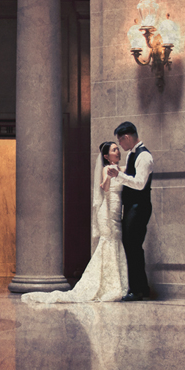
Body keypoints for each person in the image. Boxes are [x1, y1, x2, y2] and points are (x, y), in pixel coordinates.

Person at [21, 141, 129, 304]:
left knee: (116, 242)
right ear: (106, 156)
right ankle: (108, 285)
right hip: (106, 212)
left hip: (116, 211)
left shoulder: (121, 169)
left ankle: (117, 283)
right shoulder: (107, 168)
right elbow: (105, 187)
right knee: (108, 242)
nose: (118, 152)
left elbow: (132, 174)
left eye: (118, 149)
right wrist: (107, 178)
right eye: (114, 150)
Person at [106, 122, 153, 301]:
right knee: (131, 247)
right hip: (133, 206)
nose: (120, 145)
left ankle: (139, 290)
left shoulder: (144, 156)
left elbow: (140, 184)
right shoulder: (133, 155)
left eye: (120, 141)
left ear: (126, 137)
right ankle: (139, 287)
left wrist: (119, 175)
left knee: (133, 247)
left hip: (139, 207)